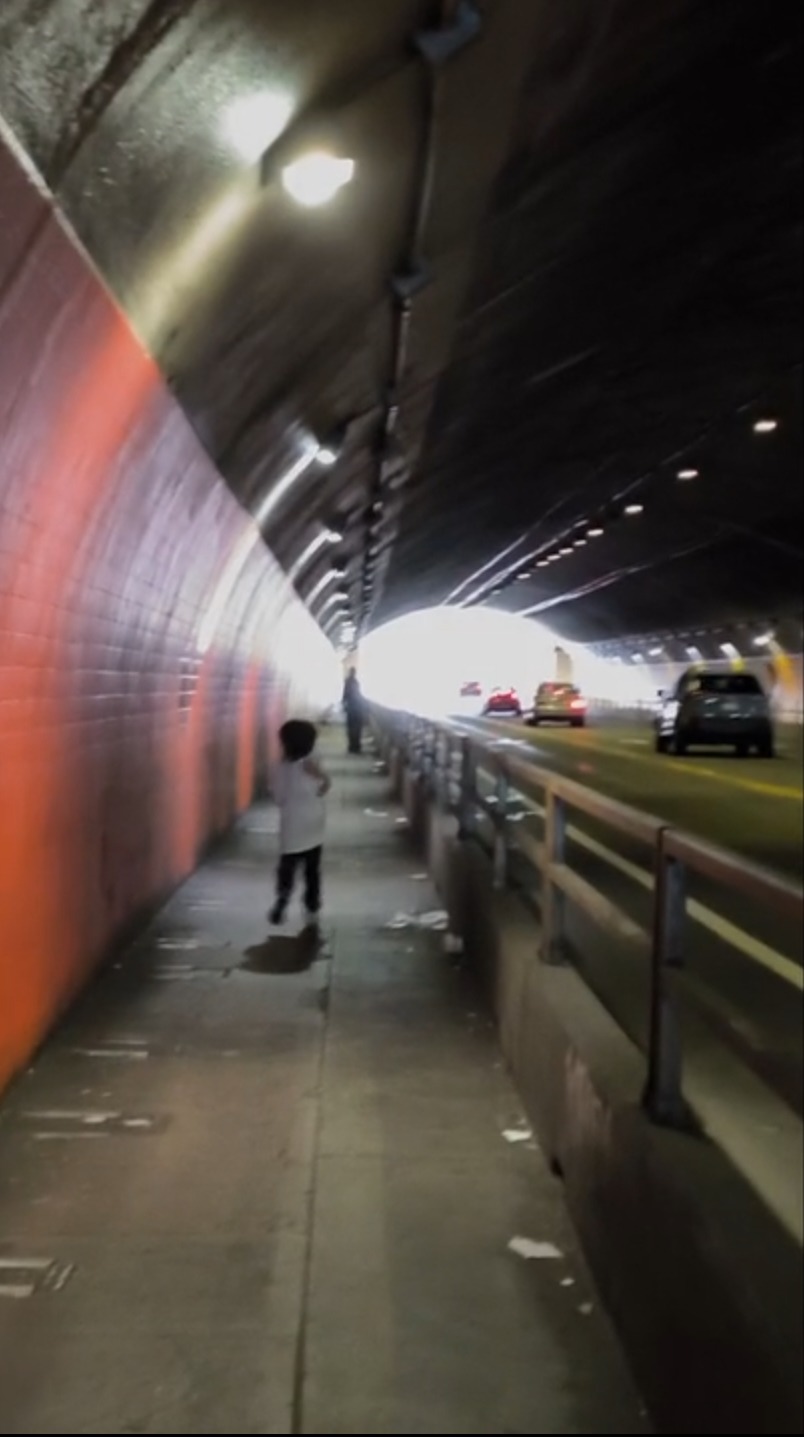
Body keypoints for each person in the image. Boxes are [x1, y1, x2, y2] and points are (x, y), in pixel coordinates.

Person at [269, 720, 331, 927]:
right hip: (314, 822)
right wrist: (321, 776)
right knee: (312, 869)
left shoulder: (281, 767)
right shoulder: (314, 761)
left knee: (287, 865)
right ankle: (312, 904)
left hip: (291, 823)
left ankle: (283, 897)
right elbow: (323, 788)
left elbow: (278, 798)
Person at [342, 667, 365, 755]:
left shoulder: (348, 682)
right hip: (357, 709)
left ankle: (352, 746)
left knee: (351, 728)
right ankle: (356, 746)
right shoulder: (356, 682)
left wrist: (344, 705)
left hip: (351, 708)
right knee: (357, 729)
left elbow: (345, 695)